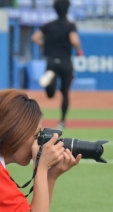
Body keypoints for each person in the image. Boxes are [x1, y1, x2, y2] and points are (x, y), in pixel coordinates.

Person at [31, 0, 83, 131]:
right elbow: (74, 40)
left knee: (50, 94)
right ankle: (62, 121)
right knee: (65, 93)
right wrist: (79, 51)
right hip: (65, 62)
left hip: (51, 61)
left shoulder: (48, 25)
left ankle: (51, 80)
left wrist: (44, 45)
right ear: (67, 10)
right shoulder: (70, 25)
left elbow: (35, 37)